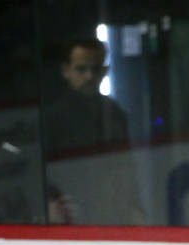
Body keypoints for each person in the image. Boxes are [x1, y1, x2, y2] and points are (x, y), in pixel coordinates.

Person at [41, 38, 144, 225]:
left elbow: (126, 166)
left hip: (111, 212)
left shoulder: (115, 113)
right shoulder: (52, 119)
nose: (89, 76)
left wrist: (134, 207)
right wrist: (49, 207)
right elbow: (40, 172)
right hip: (70, 216)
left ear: (105, 71)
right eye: (81, 69)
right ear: (66, 71)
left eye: (95, 69)